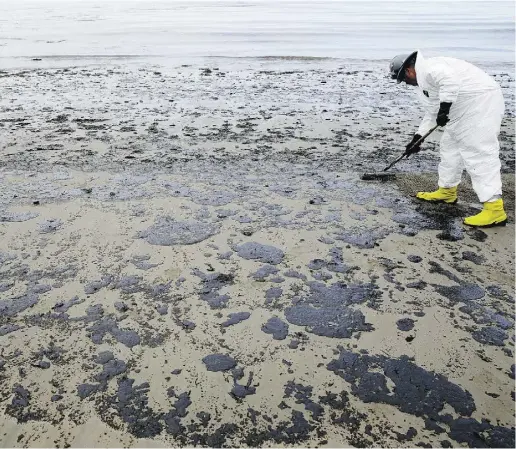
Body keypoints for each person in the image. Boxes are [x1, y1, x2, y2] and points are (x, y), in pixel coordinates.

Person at [389, 50, 507, 227]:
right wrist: (417, 138)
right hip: (460, 108)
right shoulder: (425, 84)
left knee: (478, 152)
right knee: (449, 147)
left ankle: (494, 209)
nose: (407, 83)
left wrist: (444, 108)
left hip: (480, 102)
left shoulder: (430, 68)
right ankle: (447, 191)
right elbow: (431, 114)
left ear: (408, 70)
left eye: (404, 79)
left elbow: (450, 82)